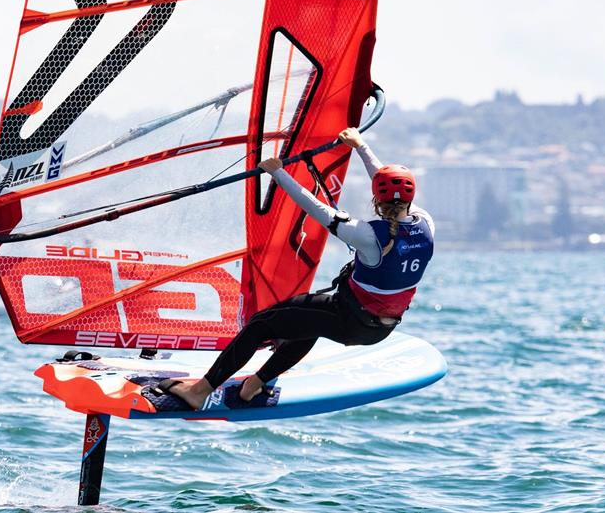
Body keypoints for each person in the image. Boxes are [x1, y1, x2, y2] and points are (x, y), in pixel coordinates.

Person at [156, 127, 435, 410]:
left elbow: (315, 207)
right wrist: (361, 146)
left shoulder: (367, 235)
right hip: (378, 327)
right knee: (307, 321)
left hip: (351, 320)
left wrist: (278, 173)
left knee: (260, 324)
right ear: (411, 198)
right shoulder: (426, 224)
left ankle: (199, 391)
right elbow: (387, 182)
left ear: (375, 197)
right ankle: (253, 386)